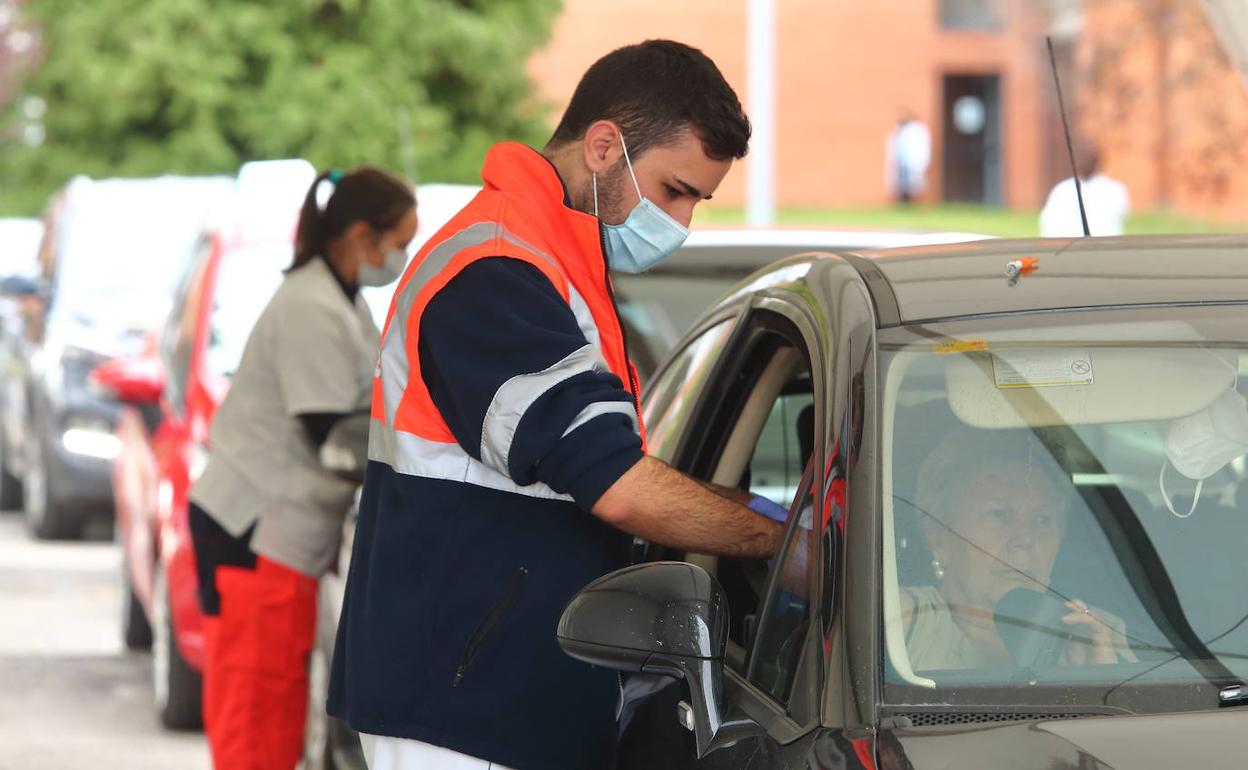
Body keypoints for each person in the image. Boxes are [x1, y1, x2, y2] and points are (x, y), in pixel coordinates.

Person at [327, 40, 789, 770]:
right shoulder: (498, 269)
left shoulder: (553, 255)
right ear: (605, 146)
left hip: (491, 689)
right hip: (460, 706)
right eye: (675, 191)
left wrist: (768, 514)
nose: (681, 222)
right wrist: (781, 538)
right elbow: (619, 487)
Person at [187, 167, 417, 769]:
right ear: (361, 235)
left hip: (281, 534)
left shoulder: (341, 301)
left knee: (278, 710)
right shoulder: (310, 307)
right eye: (399, 243)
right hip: (256, 528)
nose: (403, 257)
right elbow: (333, 434)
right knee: (255, 715)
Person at [900, 428, 1136, 670]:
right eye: (999, 514)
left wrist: (1100, 675)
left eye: (1043, 519)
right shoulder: (900, 620)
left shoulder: (1094, 633)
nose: (1026, 538)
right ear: (939, 538)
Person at [1039, 143, 1130, 237]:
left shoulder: (1114, 190)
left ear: (1096, 161)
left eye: (1087, 159)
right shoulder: (1062, 190)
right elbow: (1049, 223)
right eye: (1080, 158)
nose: (1083, 162)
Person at [884, 112, 931, 203]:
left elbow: (922, 148)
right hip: (900, 163)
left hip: (912, 162)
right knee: (900, 184)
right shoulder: (897, 131)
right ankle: (902, 201)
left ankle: (911, 202)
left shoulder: (917, 131)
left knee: (913, 184)